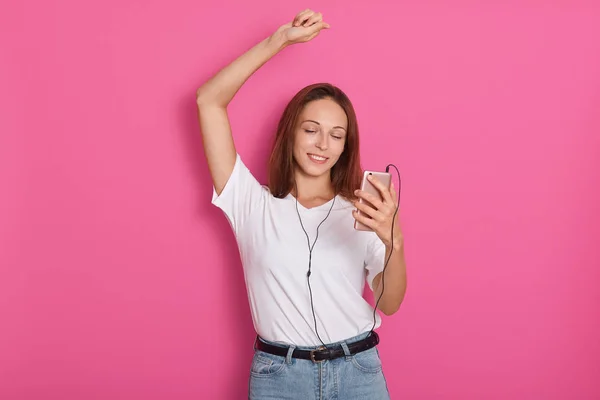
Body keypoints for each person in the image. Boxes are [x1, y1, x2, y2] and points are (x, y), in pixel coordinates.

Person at [196, 9, 407, 400]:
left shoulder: (363, 211)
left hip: (358, 371)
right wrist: (279, 42)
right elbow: (208, 101)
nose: (323, 144)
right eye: (311, 130)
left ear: (346, 146)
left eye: (336, 135)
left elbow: (390, 303)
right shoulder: (250, 203)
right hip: (279, 377)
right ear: (290, 133)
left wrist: (394, 238)